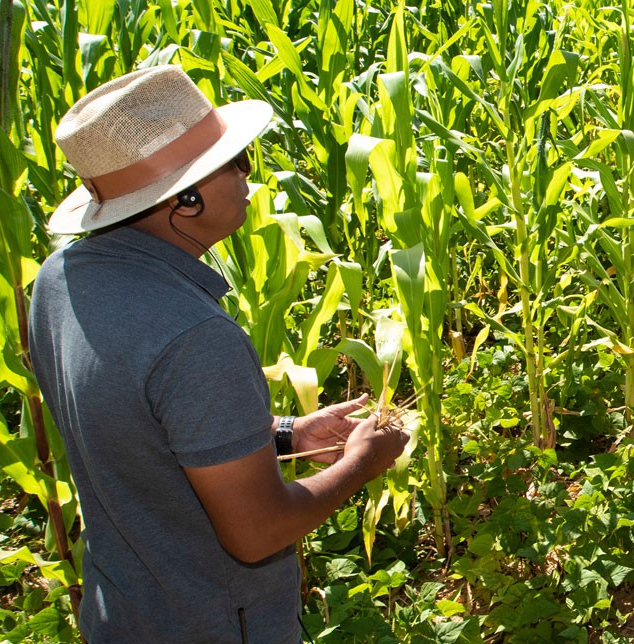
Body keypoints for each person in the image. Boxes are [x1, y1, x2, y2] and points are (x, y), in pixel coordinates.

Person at [29, 65, 411, 642]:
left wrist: (284, 434)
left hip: (121, 612)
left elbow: (137, 427)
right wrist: (361, 461)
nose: (248, 177)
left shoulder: (59, 282)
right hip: (211, 621)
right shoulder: (194, 337)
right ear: (184, 199)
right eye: (234, 164)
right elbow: (257, 533)